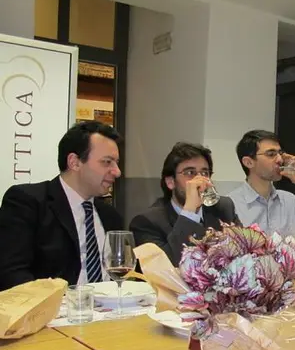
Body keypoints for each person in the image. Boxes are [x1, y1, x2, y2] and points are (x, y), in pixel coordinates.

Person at [0, 121, 123, 290]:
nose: (117, 171)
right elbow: (12, 273)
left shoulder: (110, 216)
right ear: (74, 162)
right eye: (107, 162)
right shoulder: (28, 202)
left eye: (116, 163)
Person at [129, 142, 240, 266]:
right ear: (170, 182)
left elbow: (245, 253)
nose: (200, 181)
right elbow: (167, 268)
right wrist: (190, 212)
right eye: (190, 173)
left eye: (205, 173)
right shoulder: (147, 222)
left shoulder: (224, 208)